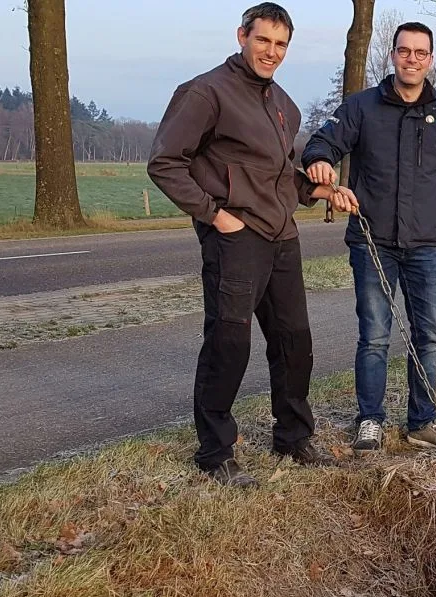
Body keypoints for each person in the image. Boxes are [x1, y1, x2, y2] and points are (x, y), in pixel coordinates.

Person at [148, 2, 358, 487]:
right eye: (263, 40)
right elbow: (164, 163)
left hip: (282, 236)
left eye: (281, 44)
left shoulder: (284, 104)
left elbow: (279, 176)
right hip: (236, 238)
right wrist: (215, 215)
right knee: (229, 343)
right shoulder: (205, 93)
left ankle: (293, 437)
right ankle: (215, 452)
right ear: (242, 36)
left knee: (294, 341)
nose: (271, 51)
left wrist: (320, 190)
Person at [303, 21, 436, 456]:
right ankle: (370, 420)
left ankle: (423, 421)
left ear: (431, 59)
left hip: (425, 245)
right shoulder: (361, 106)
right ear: (393, 55)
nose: (412, 59)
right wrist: (321, 161)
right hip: (372, 243)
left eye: (421, 53)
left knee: (430, 334)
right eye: (404, 51)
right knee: (374, 336)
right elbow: (321, 142)